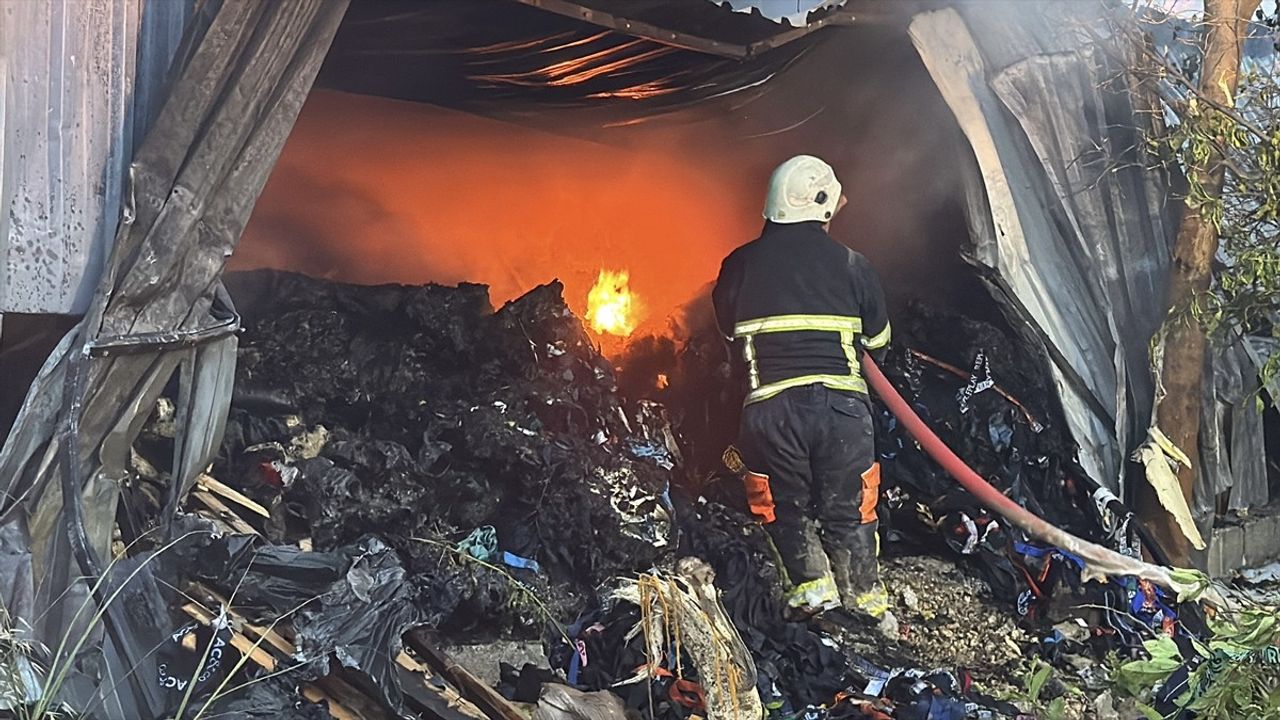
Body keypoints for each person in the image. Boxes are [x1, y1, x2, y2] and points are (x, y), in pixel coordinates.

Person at [712, 154, 896, 634]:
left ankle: (811, 589)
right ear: (823, 203)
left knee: (781, 502)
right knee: (849, 504)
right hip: (842, 407)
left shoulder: (737, 265)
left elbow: (728, 335)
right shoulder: (854, 264)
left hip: (769, 408)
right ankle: (864, 600)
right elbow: (878, 341)